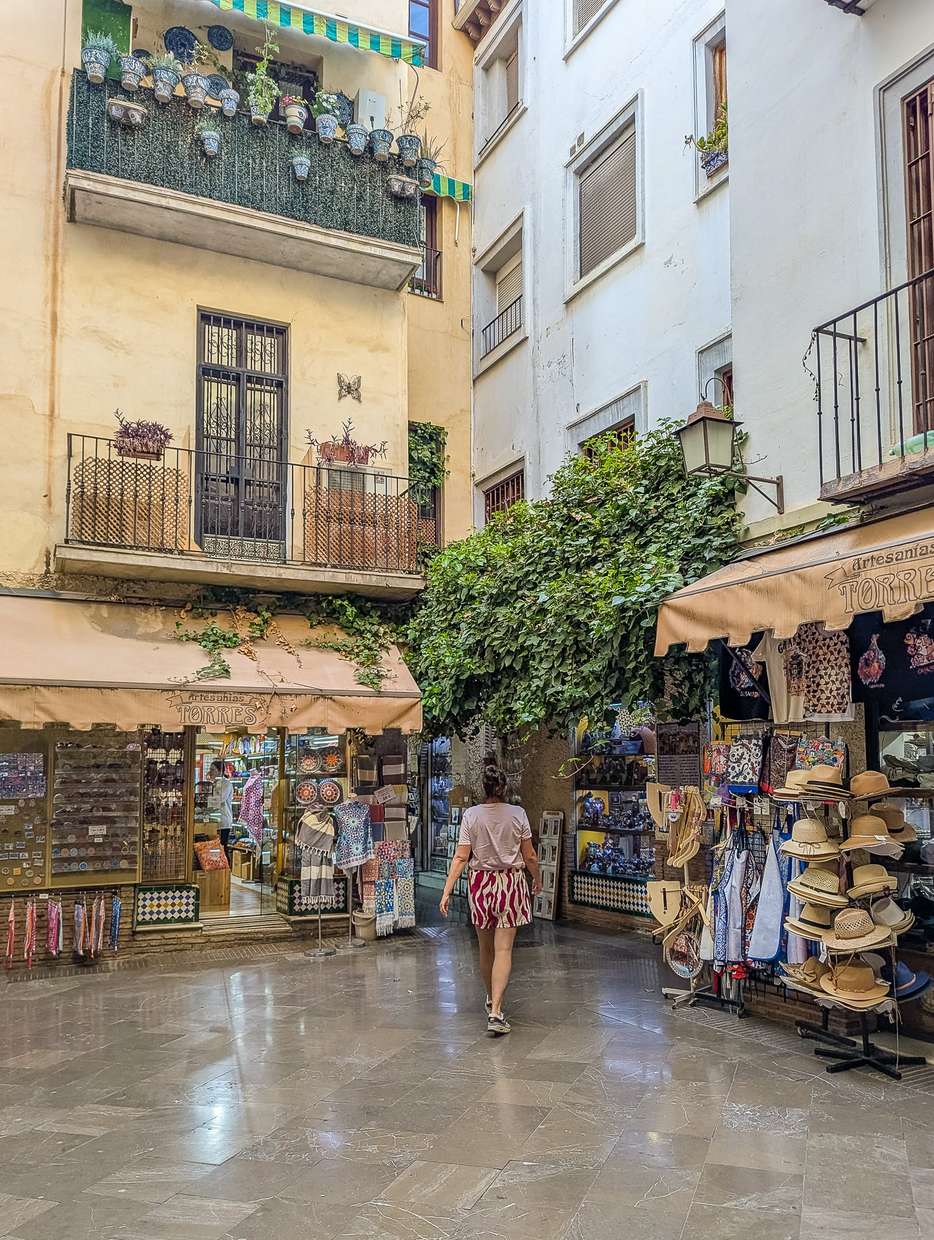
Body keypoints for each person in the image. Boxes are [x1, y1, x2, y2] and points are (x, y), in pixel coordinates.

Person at [439, 760, 541, 1036]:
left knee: (485, 949)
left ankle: (490, 998)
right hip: (511, 883)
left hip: (481, 884)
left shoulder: (471, 816)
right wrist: (538, 878)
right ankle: (496, 1011)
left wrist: (447, 890)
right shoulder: (517, 814)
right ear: (504, 787)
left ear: (481, 788)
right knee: (504, 950)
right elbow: (529, 855)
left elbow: (461, 856)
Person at [208, 760, 234, 850]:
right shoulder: (213, 784)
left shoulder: (226, 784)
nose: (210, 772)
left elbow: (220, 799)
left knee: (222, 849)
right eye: (210, 769)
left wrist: (207, 801)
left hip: (223, 822)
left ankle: (227, 864)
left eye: (212, 770)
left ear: (219, 771)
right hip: (214, 821)